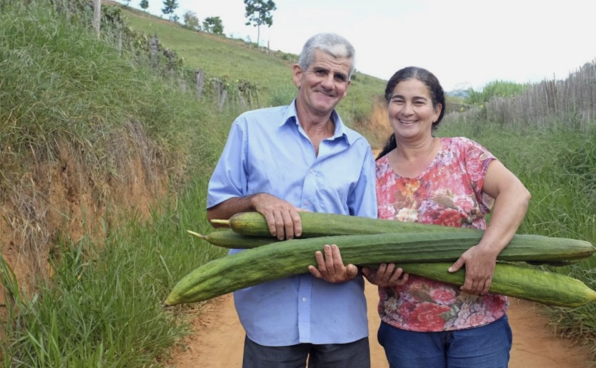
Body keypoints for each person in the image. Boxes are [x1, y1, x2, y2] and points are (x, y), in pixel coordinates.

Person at [206, 33, 377, 368]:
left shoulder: (358, 149)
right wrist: (257, 200)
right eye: (320, 72)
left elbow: (368, 235)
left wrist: (351, 269)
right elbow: (215, 214)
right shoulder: (250, 128)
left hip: (341, 320)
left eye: (340, 77)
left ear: (347, 86)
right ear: (299, 74)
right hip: (269, 319)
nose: (329, 83)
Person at [362, 66, 531, 368]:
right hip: (406, 328)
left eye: (418, 102)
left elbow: (516, 193)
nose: (407, 110)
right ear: (388, 107)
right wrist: (374, 274)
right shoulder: (373, 174)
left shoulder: (463, 153)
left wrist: (488, 249)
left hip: (478, 322)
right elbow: (362, 244)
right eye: (398, 101)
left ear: (436, 111)